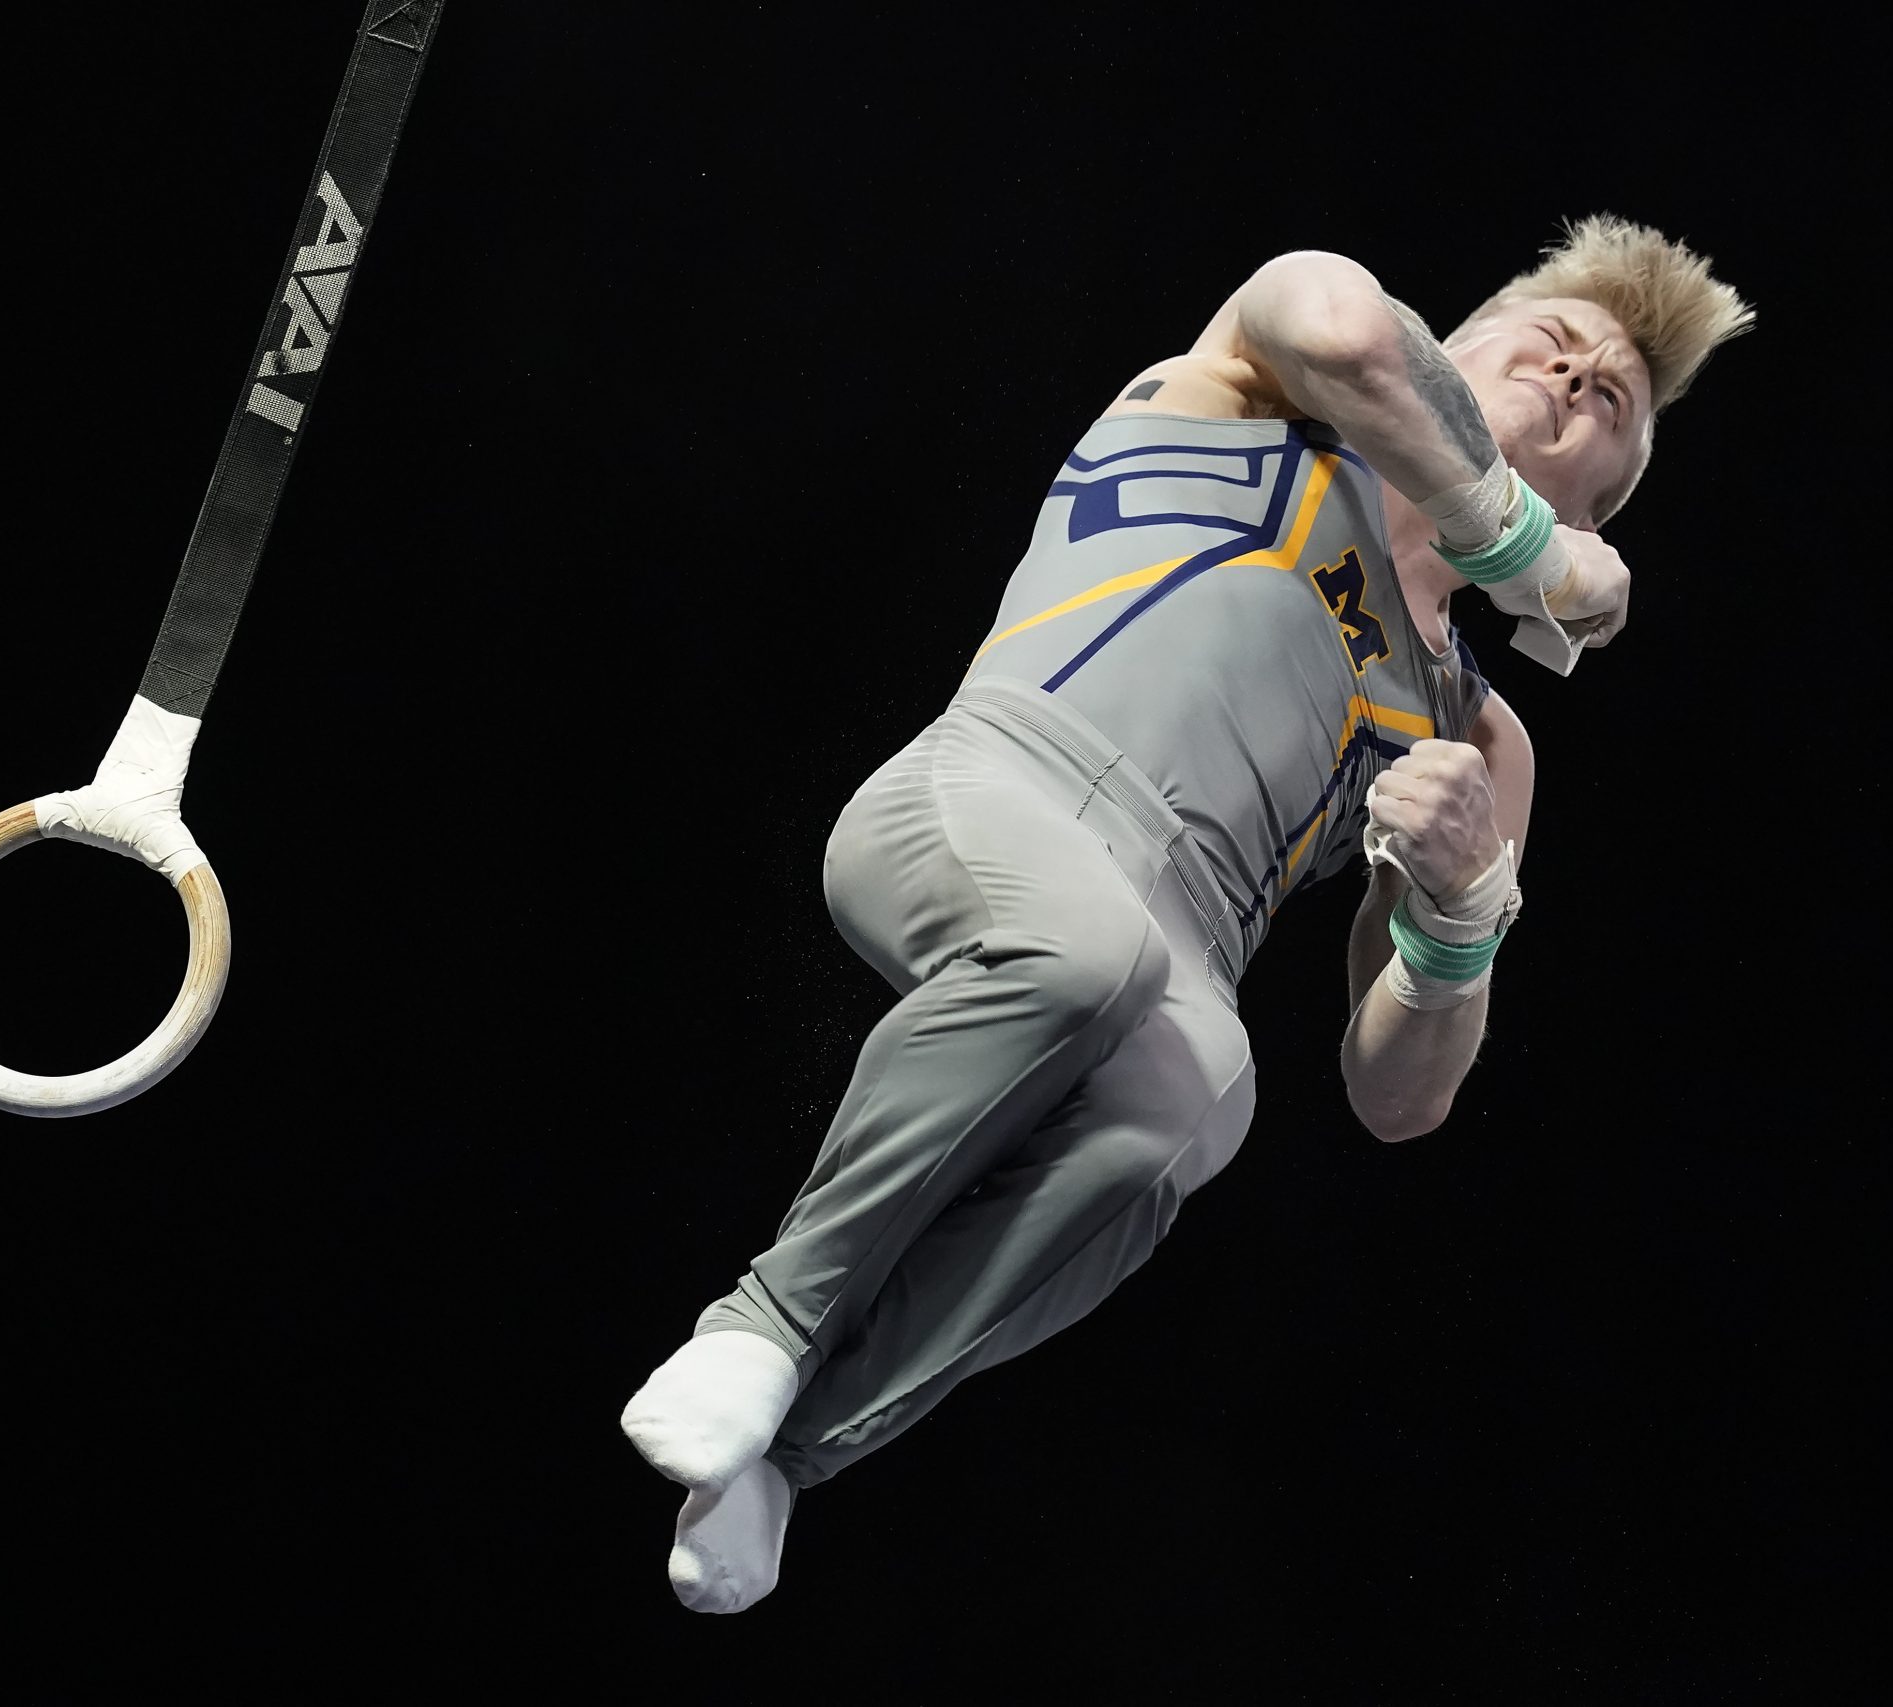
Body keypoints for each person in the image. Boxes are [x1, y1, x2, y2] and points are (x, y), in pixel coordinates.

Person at [621, 214, 1757, 1613]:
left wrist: (1460, 914)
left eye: (1613, 404)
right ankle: (770, 1316)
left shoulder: (1477, 734)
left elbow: (1395, 1098)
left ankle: (790, 1458)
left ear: (1605, 514)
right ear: (1450, 347)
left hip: (1185, 944)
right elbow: (1340, 325)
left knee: (1200, 1096)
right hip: (996, 789)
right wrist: (1519, 536)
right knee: (1081, 955)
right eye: (1555, 343)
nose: (1579, 381)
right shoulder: (1253, 386)